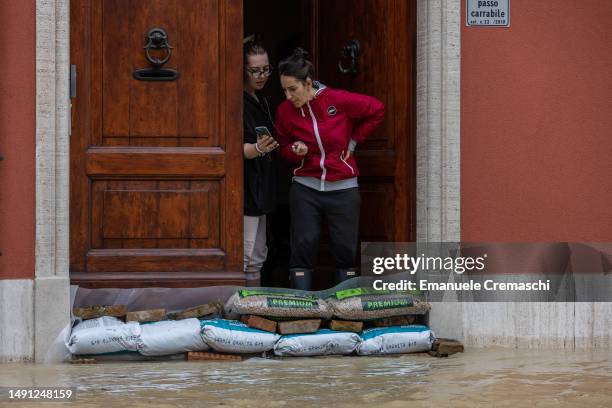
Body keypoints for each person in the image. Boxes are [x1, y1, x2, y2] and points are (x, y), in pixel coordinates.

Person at [274, 48, 385, 290]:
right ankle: (301, 307)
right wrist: (295, 150)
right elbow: (282, 146)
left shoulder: (337, 100)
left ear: (308, 83)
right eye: (284, 90)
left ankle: (345, 310)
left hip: (343, 188)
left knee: (345, 249)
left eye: (292, 89)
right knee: (303, 246)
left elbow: (376, 109)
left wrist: (353, 142)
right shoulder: (284, 112)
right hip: (306, 187)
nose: (288, 96)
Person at [242, 38, 279, 286]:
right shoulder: (235, 101)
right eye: (255, 70)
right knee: (243, 256)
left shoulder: (262, 99)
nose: (261, 75)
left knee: (257, 256)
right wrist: (257, 148)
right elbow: (233, 147)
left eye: (266, 69)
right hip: (244, 187)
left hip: (262, 186)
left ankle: (250, 309)